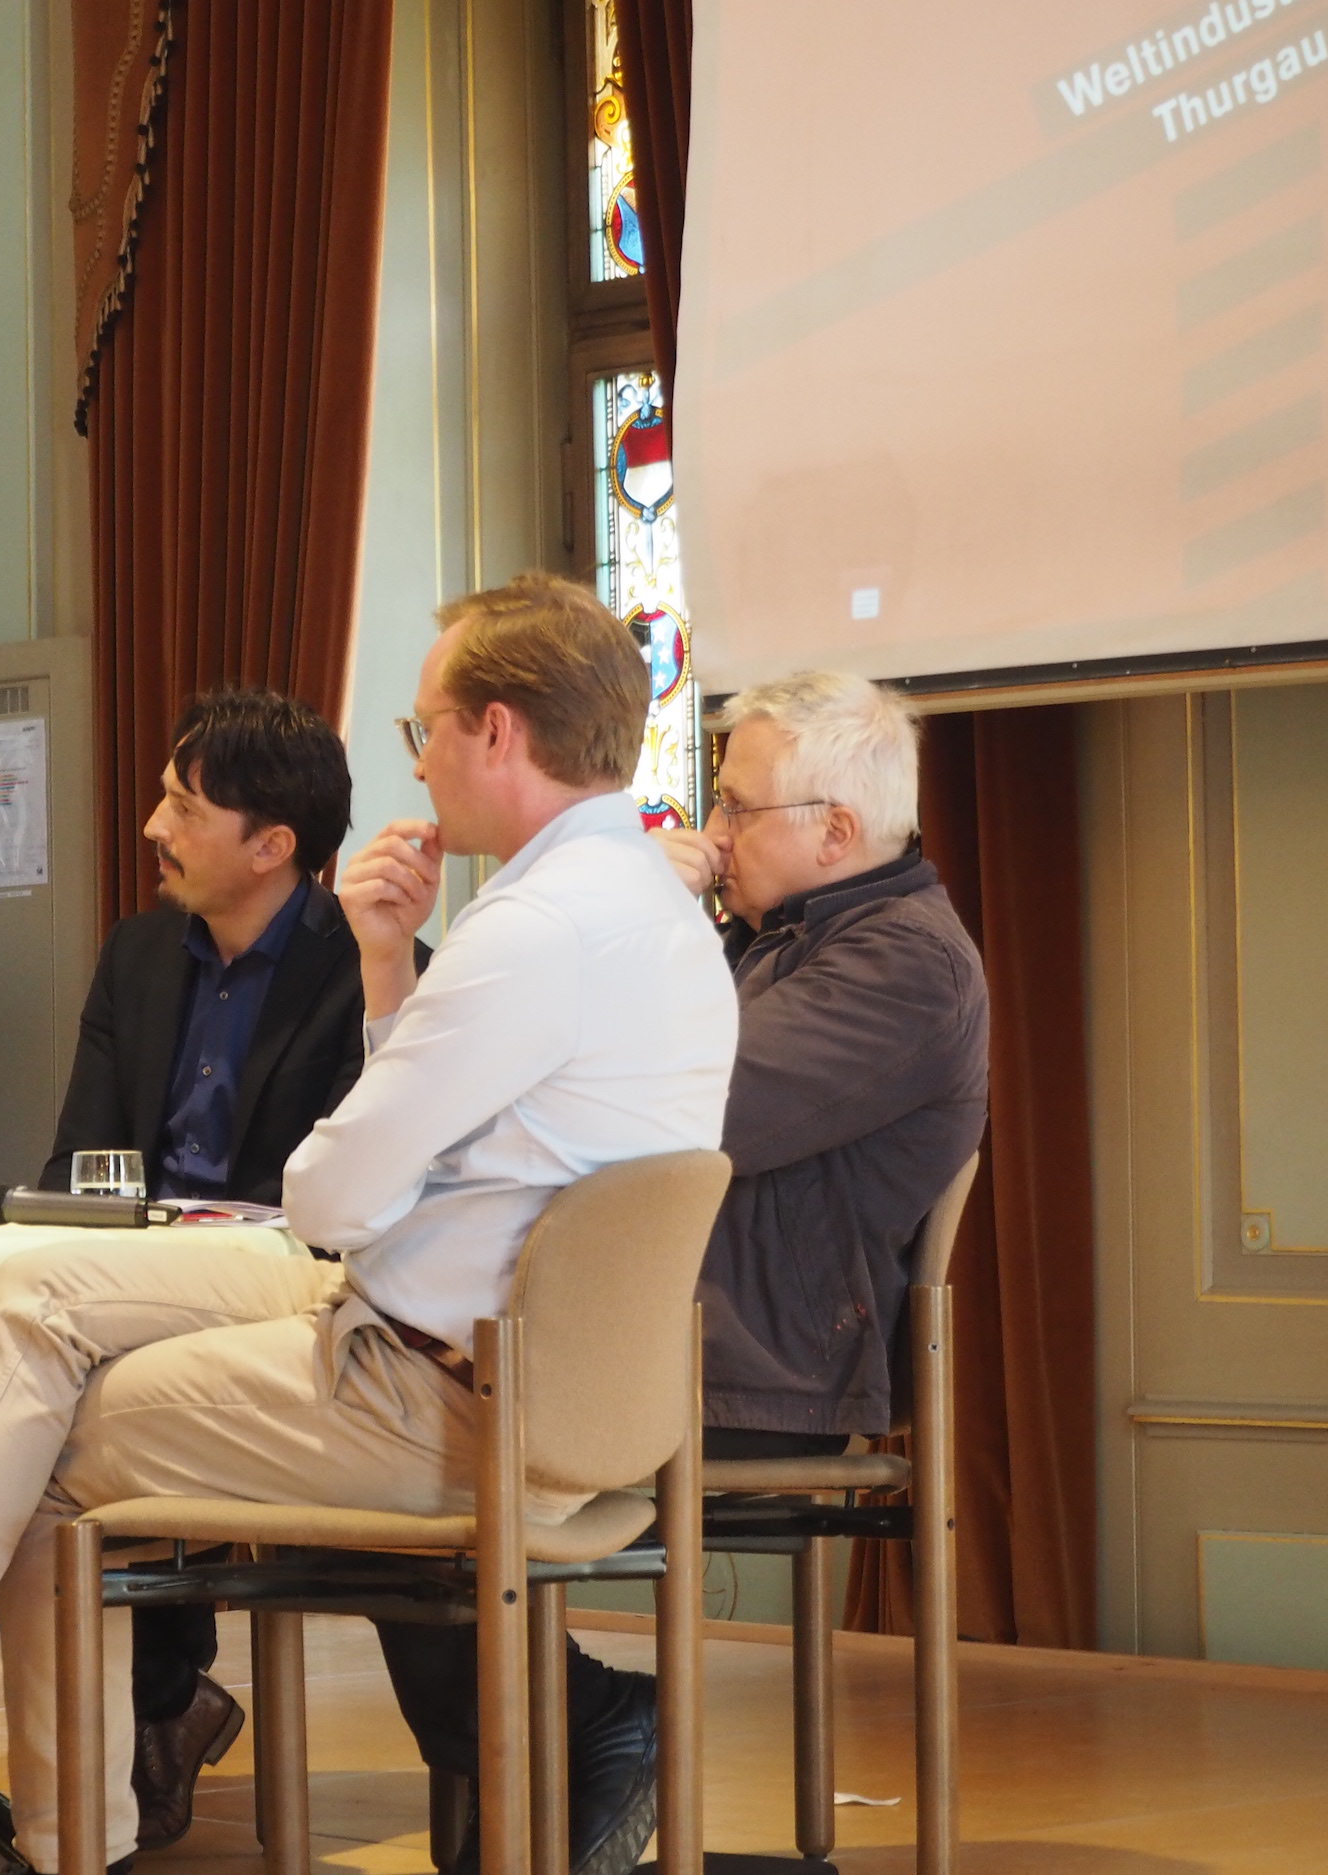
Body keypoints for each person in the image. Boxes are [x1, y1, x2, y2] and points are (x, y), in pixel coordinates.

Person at [0, 571, 738, 1874]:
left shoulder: (531, 929)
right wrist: (386, 970)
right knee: (33, 1308)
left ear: (499, 730)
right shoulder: (657, 916)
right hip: (532, 1373)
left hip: (430, 1388)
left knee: (35, 1433)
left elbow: (331, 1195)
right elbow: (405, 1184)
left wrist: (377, 1126)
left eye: (425, 729)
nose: (418, 764)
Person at [380, 668, 991, 1875]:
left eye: (734, 807)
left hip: (766, 1368)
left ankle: (567, 1752)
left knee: (405, 1454)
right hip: (663, 1340)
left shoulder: (904, 966)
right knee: (381, 1421)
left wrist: (644, 927)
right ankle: (553, 1768)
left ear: (835, 830)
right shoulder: (778, 938)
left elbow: (675, 1109)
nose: (709, 834)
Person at [40, 688, 366, 1850]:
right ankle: (153, 1712)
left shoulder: (366, 969)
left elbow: (337, 1205)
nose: (150, 827)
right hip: (134, 1270)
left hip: (274, 1287)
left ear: (273, 846)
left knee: (100, 1374)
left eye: (181, 804)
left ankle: (155, 1711)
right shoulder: (136, 953)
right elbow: (78, 1165)